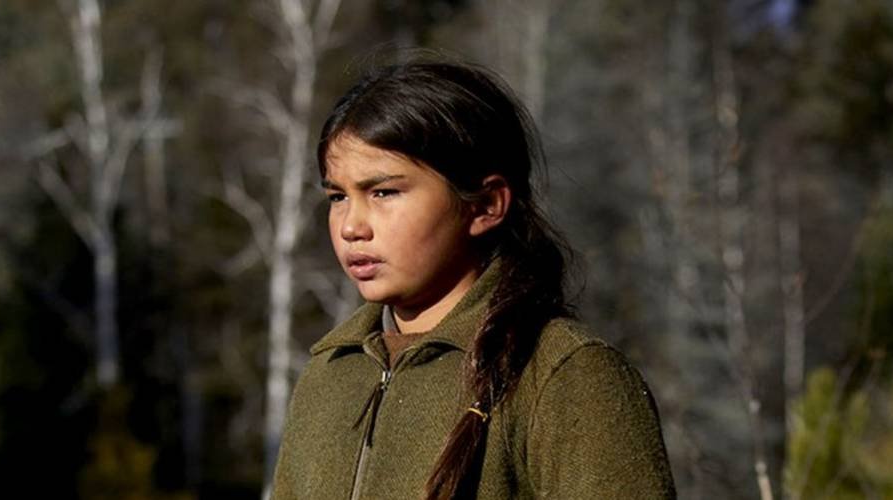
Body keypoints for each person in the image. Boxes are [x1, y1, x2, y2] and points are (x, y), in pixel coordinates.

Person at [270, 57, 675, 500]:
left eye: (384, 192)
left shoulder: (562, 376)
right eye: (337, 197)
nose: (351, 226)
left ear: (485, 205)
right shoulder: (328, 373)